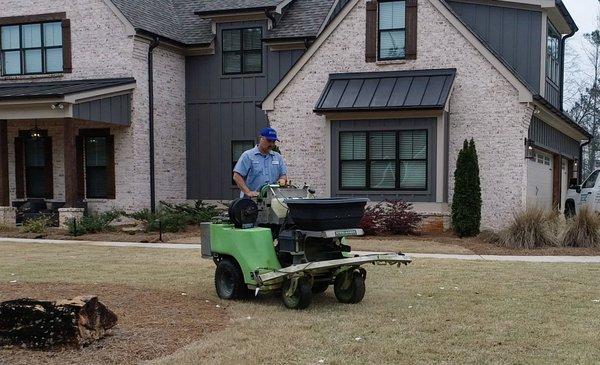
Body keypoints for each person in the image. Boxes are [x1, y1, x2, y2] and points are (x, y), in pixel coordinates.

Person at [233, 127, 288, 198]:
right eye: (269, 140)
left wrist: (282, 179)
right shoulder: (248, 156)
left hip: (272, 199)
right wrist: (248, 192)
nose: (271, 144)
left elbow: (283, 175)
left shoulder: (278, 157)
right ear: (261, 138)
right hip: (252, 200)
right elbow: (236, 176)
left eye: (273, 142)